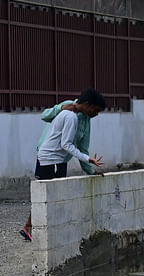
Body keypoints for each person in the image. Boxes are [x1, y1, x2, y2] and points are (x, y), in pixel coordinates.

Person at [20, 88, 106, 241]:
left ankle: (45, 229)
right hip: (49, 157)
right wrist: (59, 108)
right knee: (45, 193)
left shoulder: (85, 121)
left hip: (61, 159)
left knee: (55, 194)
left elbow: (82, 146)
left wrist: (90, 170)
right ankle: (30, 227)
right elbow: (46, 117)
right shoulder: (68, 111)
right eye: (96, 110)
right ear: (87, 104)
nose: (96, 115)